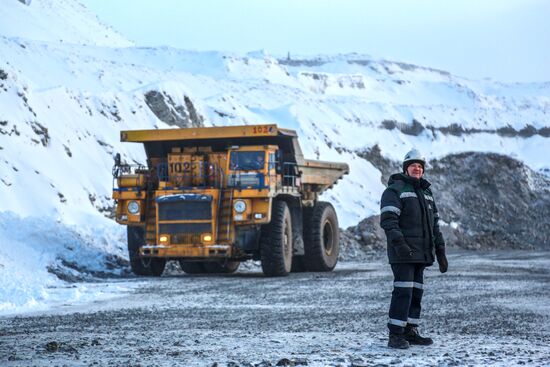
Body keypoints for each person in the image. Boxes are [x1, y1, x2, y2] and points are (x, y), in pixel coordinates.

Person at [379, 148, 448, 349]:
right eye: (413, 166)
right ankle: (395, 334)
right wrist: (400, 245)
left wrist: (441, 250)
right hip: (403, 253)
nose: (417, 169)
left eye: (420, 166)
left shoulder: (426, 193)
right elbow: (389, 221)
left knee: (416, 292)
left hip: (421, 253)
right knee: (403, 292)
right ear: (406, 169)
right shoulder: (394, 190)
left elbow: (434, 224)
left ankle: (410, 331)